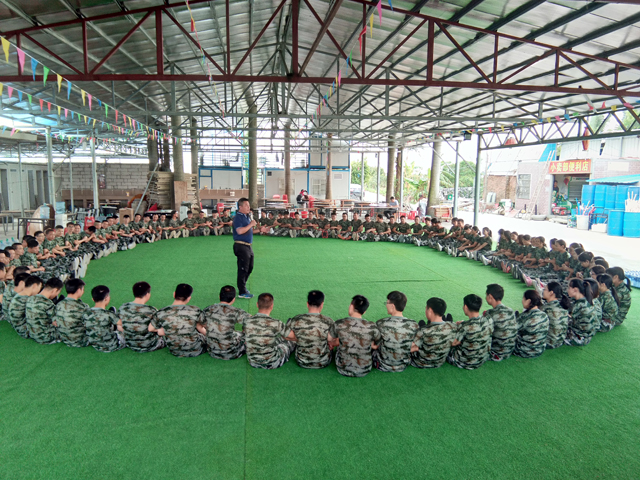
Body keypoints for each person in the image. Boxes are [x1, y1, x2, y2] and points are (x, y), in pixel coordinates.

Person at [150, 283, 206, 357]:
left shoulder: (162, 311)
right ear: (189, 298)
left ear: (174, 294)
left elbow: (151, 328)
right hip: (195, 349)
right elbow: (204, 326)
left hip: (174, 350)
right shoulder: (195, 310)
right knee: (200, 329)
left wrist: (161, 330)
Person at [286, 290, 337, 369]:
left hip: (301, 362)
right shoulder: (329, 321)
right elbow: (334, 339)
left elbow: (286, 335)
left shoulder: (296, 319)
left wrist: (298, 338)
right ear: (322, 304)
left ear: (307, 304)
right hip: (323, 362)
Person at [244, 293, 296, 369]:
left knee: (277, 339)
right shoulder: (276, 323)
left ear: (257, 304)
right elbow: (293, 336)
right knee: (289, 342)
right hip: (273, 363)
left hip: (253, 362)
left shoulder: (246, 320)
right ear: (272, 306)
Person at [334, 295, 381, 377]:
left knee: (338, 344)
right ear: (364, 311)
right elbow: (378, 343)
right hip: (365, 368)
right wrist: (371, 345)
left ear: (351, 306)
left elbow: (330, 340)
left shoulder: (339, 323)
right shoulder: (372, 326)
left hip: (343, 368)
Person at [373, 291, 418, 373]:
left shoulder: (381, 323)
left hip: (383, 365)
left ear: (392, 306)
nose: (386, 305)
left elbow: (375, 343)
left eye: (387, 303)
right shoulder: (413, 324)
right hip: (403, 364)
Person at [202, 285, 251, 360]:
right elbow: (252, 321)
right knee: (242, 335)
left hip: (212, 350)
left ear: (219, 296)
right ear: (233, 299)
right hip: (231, 353)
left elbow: (200, 323)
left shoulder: (208, 309)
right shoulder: (236, 311)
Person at [447, 294, 494, 370]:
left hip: (464, 362)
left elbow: (454, 343)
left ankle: (447, 324)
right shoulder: (489, 319)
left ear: (465, 307)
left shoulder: (465, 326)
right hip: (481, 359)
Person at [118, 281, 165, 353]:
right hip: (150, 345)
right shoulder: (151, 310)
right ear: (147, 294)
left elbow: (120, 327)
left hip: (130, 343)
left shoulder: (123, 307)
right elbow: (159, 328)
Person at [411, 297, 455, 368]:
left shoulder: (423, 331)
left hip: (421, 362)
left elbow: (411, 347)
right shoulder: (453, 326)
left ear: (430, 310)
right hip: (440, 362)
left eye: (426, 308)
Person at [83, 285, 125, 353]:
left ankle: (110, 325)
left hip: (95, 344)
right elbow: (124, 325)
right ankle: (112, 325)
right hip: (112, 345)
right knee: (121, 328)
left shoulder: (85, 313)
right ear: (106, 298)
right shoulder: (109, 314)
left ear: (93, 299)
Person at [484, 284, 517, 362]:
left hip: (495, 353)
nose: (485, 298)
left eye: (486, 295)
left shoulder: (490, 313)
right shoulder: (510, 310)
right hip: (509, 351)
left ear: (490, 296)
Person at [25, 277, 63, 344]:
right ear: (54, 290)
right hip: (45, 337)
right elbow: (56, 323)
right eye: (58, 292)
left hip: (32, 334)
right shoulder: (48, 303)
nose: (57, 295)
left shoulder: (30, 298)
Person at [55, 278, 91, 347]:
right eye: (83, 289)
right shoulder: (82, 306)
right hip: (81, 341)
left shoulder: (59, 304)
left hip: (64, 338)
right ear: (79, 290)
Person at [232, 198, 257, 299]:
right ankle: (242, 291)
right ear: (240, 207)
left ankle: (243, 287)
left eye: (249, 205)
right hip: (241, 245)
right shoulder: (238, 217)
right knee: (243, 268)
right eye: (246, 205)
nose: (248, 207)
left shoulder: (246, 216)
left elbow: (248, 231)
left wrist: (260, 230)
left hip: (248, 246)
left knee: (250, 267)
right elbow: (240, 231)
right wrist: (251, 224)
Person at [513, 290, 549, 358]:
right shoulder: (544, 315)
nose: (522, 301)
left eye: (523, 298)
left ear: (528, 301)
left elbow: (512, 330)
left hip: (524, 351)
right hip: (539, 350)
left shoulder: (525, 316)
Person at [564, 278, 597, 346]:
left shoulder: (579, 305)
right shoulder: (587, 300)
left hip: (577, 338)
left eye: (569, 287)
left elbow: (567, 321)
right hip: (587, 336)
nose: (567, 290)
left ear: (575, 289)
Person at [541, 282, 570, 348]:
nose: (543, 291)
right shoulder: (562, 306)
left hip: (548, 342)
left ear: (551, 293)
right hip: (560, 341)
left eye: (545, 289)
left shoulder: (545, 308)